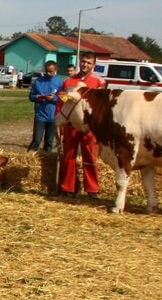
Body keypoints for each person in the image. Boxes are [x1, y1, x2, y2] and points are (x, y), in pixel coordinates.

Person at [59, 52, 104, 196]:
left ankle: (92, 189)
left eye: (89, 63)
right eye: (83, 62)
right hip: (70, 125)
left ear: (94, 65)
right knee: (69, 156)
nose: (85, 65)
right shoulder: (68, 81)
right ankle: (67, 188)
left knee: (90, 157)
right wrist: (59, 123)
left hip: (88, 128)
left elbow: (102, 107)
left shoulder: (98, 82)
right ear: (79, 61)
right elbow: (62, 103)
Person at [27, 60, 64, 152]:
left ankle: (46, 158)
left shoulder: (60, 83)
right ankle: (31, 157)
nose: (48, 73)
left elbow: (65, 99)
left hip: (53, 117)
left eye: (50, 71)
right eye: (46, 71)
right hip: (40, 115)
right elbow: (31, 96)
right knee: (36, 139)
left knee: (49, 142)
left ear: (56, 69)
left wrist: (54, 98)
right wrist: (38, 97)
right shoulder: (38, 82)